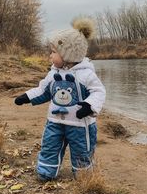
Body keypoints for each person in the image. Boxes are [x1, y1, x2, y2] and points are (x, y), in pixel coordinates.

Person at [14, 18, 106, 182]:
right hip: (54, 121)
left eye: (54, 52)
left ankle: (83, 175)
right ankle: (46, 171)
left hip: (79, 124)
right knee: (49, 146)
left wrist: (89, 106)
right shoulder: (53, 74)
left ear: (68, 54)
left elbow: (98, 92)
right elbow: (44, 90)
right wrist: (26, 97)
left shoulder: (86, 74)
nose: (50, 55)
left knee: (82, 150)